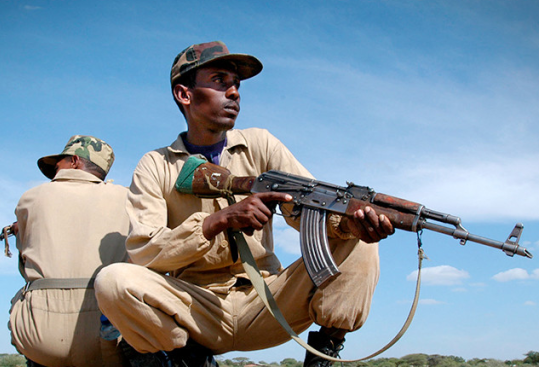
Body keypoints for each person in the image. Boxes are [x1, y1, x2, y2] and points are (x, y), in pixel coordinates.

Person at [94, 41, 395, 367]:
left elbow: (310, 207)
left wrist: (348, 224)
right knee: (113, 282)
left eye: (236, 85)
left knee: (359, 240)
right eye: (220, 81)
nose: (234, 93)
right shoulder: (155, 165)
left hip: (266, 302)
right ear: (185, 94)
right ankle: (186, 360)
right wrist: (215, 222)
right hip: (194, 310)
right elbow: (144, 250)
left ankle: (325, 352)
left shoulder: (262, 144)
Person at [9, 135, 130, 367]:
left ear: (75, 161)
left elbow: (25, 262)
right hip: (111, 336)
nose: (55, 172)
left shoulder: (30, 198)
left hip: (40, 336)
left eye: (58, 165)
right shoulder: (129, 199)